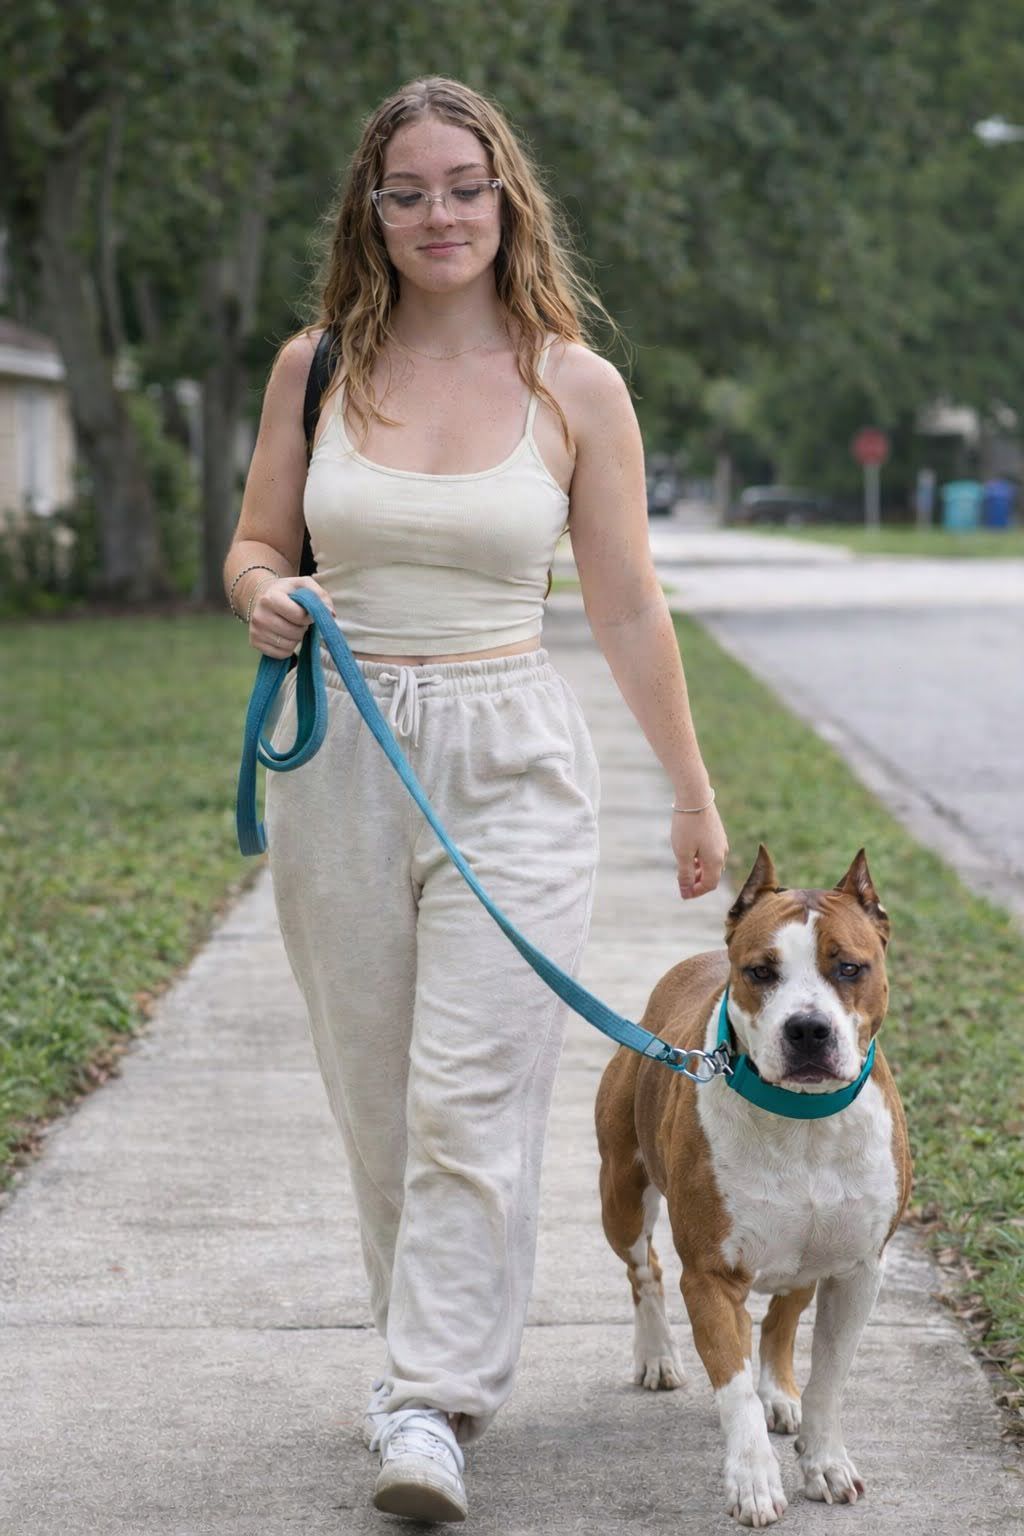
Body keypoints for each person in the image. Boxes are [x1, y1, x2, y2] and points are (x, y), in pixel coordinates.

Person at [223, 75, 728, 1525]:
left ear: (507, 199)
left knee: (474, 1095)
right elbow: (254, 544)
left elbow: (627, 605)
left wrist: (690, 792)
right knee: (380, 1099)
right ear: (371, 212)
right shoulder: (315, 367)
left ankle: (432, 1402)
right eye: (408, 192)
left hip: (511, 757)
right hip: (341, 753)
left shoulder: (576, 385)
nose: (438, 213)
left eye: (464, 186)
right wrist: (264, 594)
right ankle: (418, 1366)